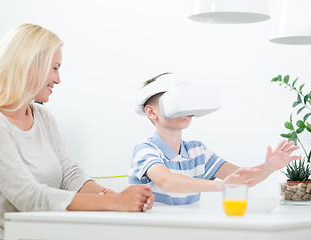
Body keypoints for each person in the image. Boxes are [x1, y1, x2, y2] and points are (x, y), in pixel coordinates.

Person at [0, 23, 155, 240]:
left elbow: (71, 176)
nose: (58, 79)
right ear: (29, 65)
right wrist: (115, 202)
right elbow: (29, 197)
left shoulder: (43, 116)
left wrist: (120, 196)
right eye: (55, 68)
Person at [129, 72, 301, 205]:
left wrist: (269, 167)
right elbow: (167, 181)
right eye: (175, 101)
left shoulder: (198, 151)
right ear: (152, 112)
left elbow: (240, 179)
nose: (184, 107)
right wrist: (220, 186)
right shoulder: (145, 150)